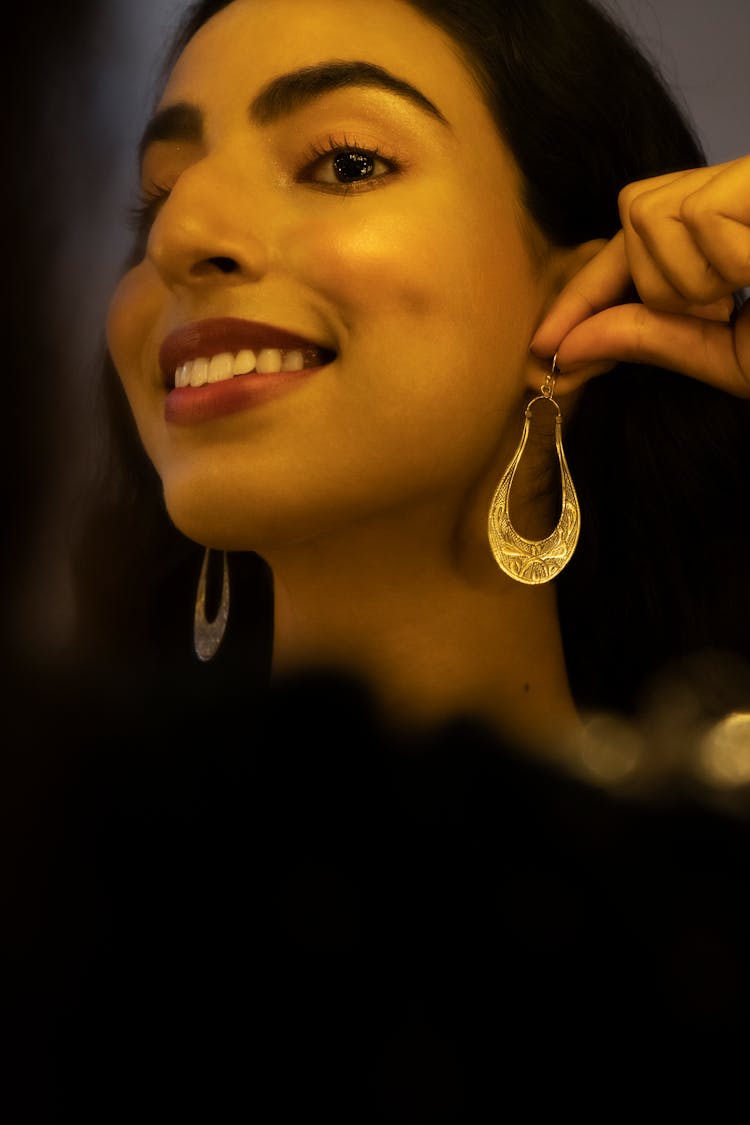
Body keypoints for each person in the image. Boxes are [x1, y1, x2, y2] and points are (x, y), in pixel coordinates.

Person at [10, 1, 750, 1120]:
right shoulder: (47, 875)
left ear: (581, 286)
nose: (176, 237)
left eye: (345, 163)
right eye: (155, 195)